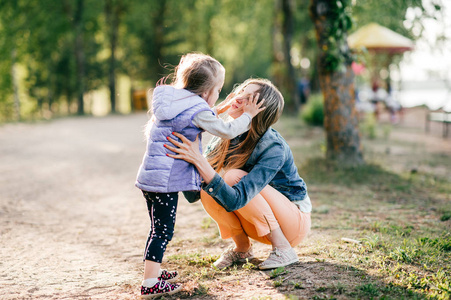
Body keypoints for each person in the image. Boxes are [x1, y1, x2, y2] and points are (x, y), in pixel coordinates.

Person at [135, 53, 265, 298]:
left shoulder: (174, 99)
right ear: (206, 92)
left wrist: (221, 107)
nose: (219, 94)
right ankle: (150, 282)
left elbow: (195, 115)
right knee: (162, 230)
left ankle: (154, 270)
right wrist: (249, 115)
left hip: (151, 178)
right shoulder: (196, 109)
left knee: (157, 228)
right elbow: (226, 130)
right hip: (164, 182)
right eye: (218, 90)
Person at [165, 78, 312, 270]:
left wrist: (199, 161)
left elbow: (237, 199)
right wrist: (185, 155)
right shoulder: (223, 138)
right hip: (259, 224)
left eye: (249, 98)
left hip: (292, 224)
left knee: (232, 177)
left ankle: (283, 249)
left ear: (261, 111)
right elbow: (195, 194)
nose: (239, 97)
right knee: (210, 185)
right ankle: (242, 249)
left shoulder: (273, 146)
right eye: (241, 91)